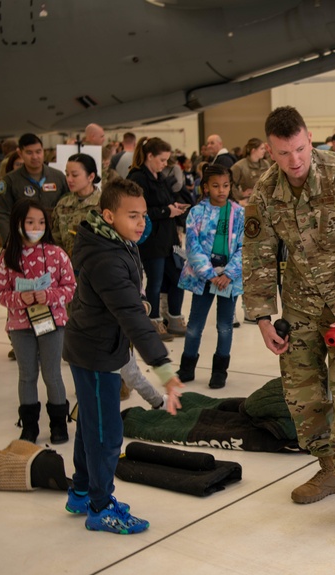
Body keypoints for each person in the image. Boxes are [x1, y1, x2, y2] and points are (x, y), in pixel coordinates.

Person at [243, 106, 335, 521]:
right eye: (283, 153)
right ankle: (328, 471)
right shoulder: (265, 190)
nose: (294, 160)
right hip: (301, 302)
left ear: (310, 139)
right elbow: (257, 255)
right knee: (302, 395)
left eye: (300, 149)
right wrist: (262, 317)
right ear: (269, 151)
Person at [63, 178, 183, 534]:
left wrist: (139, 301)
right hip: (96, 352)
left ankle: (82, 492)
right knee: (106, 433)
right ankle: (100, 508)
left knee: (91, 425)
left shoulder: (115, 241)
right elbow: (132, 318)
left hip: (95, 344)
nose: (142, 223)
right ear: (108, 215)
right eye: (133, 216)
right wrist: (164, 370)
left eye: (144, 215)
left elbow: (127, 300)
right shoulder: (106, 258)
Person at [0, 199, 77, 444]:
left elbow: (70, 287)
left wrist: (48, 295)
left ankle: (59, 424)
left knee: (52, 374)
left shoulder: (57, 254)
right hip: (20, 326)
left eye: (41, 221)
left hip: (52, 323)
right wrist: (20, 298)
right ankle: (29, 426)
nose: (36, 226)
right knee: (27, 374)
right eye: (30, 221)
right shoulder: (8, 256)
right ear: (17, 223)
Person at [177, 164, 244, 388]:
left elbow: (245, 248)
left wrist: (229, 273)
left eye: (225, 185)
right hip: (203, 278)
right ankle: (186, 368)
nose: (221, 190)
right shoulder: (196, 213)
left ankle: (219, 371)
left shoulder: (239, 213)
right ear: (205, 187)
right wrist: (209, 274)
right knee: (195, 325)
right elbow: (193, 247)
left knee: (225, 325)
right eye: (215, 186)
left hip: (228, 280)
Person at [127, 136, 190, 338]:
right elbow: (137, 211)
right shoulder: (137, 178)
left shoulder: (160, 177)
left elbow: (166, 201)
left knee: (178, 277)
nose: (165, 164)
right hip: (152, 240)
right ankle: (153, 320)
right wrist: (165, 211)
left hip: (169, 237)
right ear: (150, 156)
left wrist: (174, 207)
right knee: (155, 281)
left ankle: (174, 316)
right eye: (162, 160)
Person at [0, 133, 69, 246]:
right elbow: (3, 214)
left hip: (54, 241)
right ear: (20, 153)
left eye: (38, 152)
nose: (35, 157)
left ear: (43, 151)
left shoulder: (58, 177)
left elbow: (68, 208)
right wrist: (11, 244)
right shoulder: (10, 181)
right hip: (22, 241)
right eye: (29, 152)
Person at [52, 153, 101, 258]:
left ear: (91, 176)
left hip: (95, 266)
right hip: (66, 266)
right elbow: (55, 238)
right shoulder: (63, 204)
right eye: (67, 174)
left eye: (74, 175)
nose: (69, 179)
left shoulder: (104, 204)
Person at [231, 137, 269, 203]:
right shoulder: (240, 166)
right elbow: (230, 183)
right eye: (262, 148)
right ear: (253, 150)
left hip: (266, 200)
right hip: (250, 201)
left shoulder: (266, 164)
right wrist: (240, 195)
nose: (264, 151)